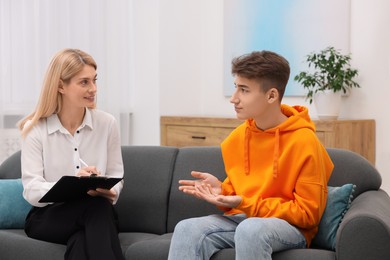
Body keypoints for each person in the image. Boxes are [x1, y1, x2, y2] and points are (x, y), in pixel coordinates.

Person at [167, 51, 334, 260]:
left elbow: (308, 214)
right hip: (244, 219)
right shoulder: (238, 137)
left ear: (271, 95)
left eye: (244, 90)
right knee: (186, 229)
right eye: (235, 87)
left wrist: (244, 203)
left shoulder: (305, 142)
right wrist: (223, 190)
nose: (234, 98)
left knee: (251, 229)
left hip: (290, 228)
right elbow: (242, 193)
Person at [18, 48, 125, 260]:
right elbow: (31, 190)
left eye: (94, 80)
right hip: (49, 216)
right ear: (60, 86)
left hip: (96, 211)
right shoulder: (35, 129)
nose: (93, 88)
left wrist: (111, 191)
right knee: (97, 211)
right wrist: (71, 184)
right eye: (84, 82)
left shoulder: (107, 124)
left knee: (82, 237)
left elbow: (116, 174)